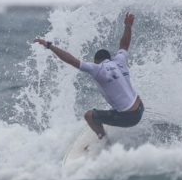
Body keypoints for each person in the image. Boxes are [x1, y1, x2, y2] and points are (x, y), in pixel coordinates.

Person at [34, 12, 143, 140]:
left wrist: (49, 46)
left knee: (89, 116)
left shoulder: (96, 68)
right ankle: (111, 121)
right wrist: (128, 26)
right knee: (119, 101)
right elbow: (124, 44)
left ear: (96, 61)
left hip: (129, 118)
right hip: (140, 109)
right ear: (109, 58)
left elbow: (71, 60)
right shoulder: (119, 60)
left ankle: (103, 140)